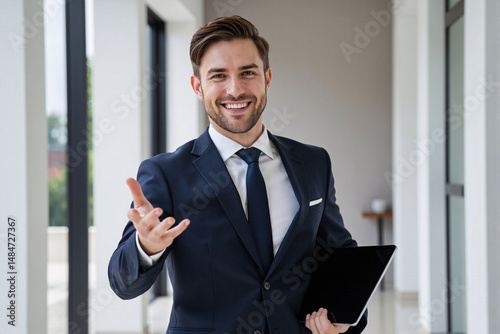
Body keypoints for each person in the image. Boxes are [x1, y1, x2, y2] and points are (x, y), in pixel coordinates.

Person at [108, 15, 367, 334]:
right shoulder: (166, 173)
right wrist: (145, 247)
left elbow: (340, 257)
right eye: (218, 76)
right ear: (198, 87)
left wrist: (343, 320)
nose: (235, 89)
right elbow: (122, 284)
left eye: (248, 73)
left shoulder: (314, 162)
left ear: (267, 78)